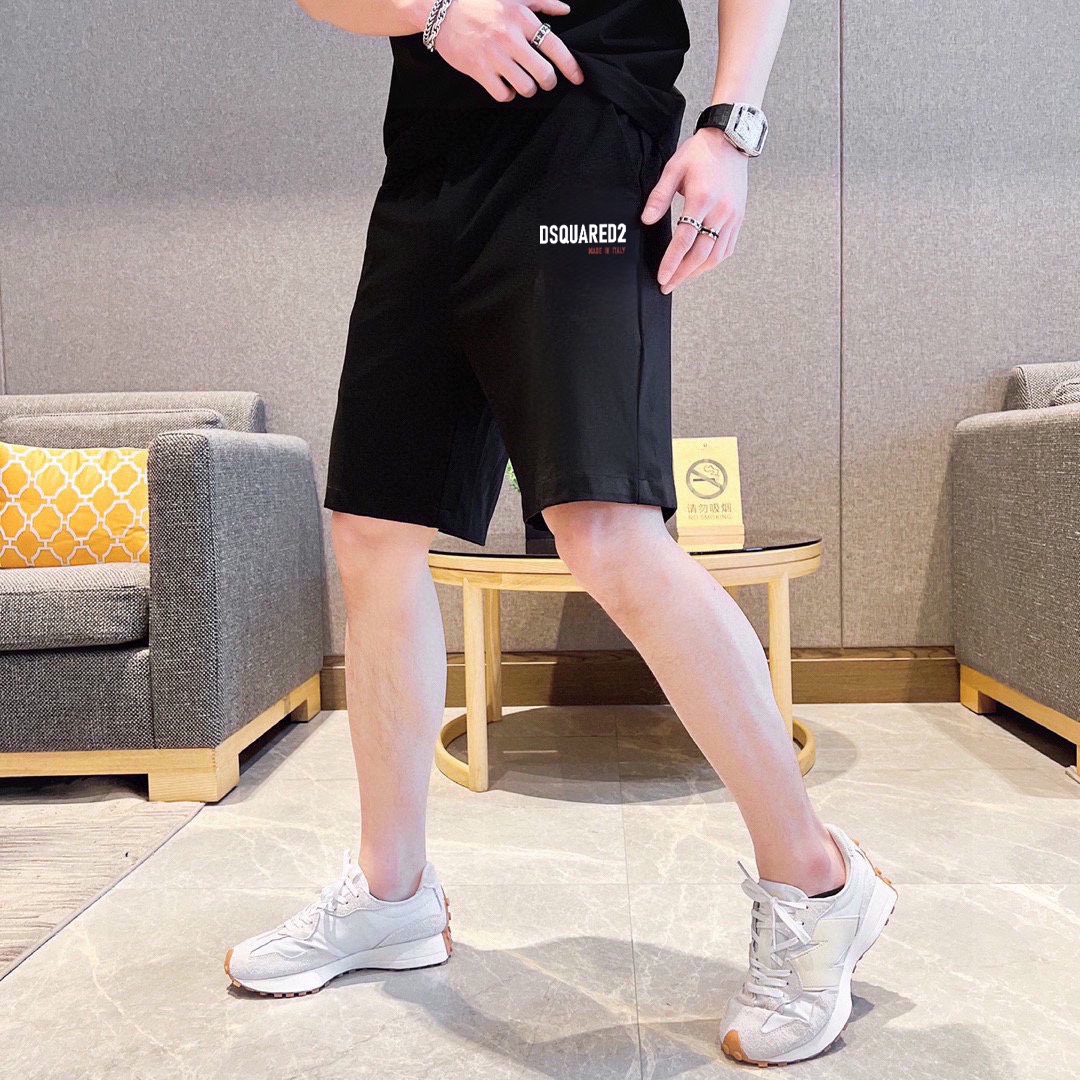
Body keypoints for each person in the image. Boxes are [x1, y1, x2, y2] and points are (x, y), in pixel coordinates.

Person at [225, 0, 896, 1066]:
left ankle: (818, 881)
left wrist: (732, 128)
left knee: (606, 526)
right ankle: (394, 898)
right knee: (371, 529)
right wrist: (431, 14)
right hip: (431, 166)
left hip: (589, 136)